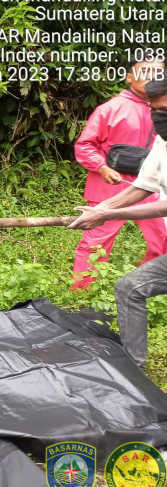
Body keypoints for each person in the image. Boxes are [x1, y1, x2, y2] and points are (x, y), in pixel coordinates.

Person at [68, 77, 167, 370]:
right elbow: (144, 186)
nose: (161, 119)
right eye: (157, 112)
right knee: (129, 287)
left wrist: (108, 214)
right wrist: (100, 208)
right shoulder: (161, 142)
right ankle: (133, 367)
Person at [71, 58, 167, 290]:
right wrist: (102, 167)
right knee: (96, 241)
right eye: (145, 72)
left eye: (158, 73)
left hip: (154, 186)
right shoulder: (110, 109)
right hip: (112, 185)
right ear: (129, 76)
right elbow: (84, 145)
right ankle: (81, 292)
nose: (151, 77)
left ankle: (148, 289)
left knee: (162, 240)